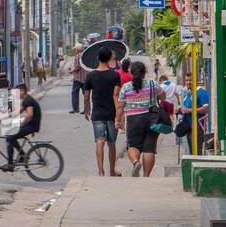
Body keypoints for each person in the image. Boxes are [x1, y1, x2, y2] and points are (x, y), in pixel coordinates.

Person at [82, 48, 123, 176]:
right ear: (110, 58)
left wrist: (87, 109)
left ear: (98, 58)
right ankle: (112, 170)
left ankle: (100, 171)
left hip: (97, 114)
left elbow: (86, 95)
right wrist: (120, 116)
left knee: (99, 141)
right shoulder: (115, 75)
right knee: (111, 143)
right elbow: (117, 95)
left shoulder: (90, 75)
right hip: (112, 113)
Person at [121, 60, 163, 176]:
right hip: (152, 119)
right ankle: (146, 176)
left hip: (133, 120)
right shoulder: (152, 84)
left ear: (131, 73)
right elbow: (163, 96)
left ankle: (135, 162)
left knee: (133, 145)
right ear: (145, 73)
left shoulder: (126, 87)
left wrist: (118, 120)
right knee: (149, 149)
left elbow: (120, 106)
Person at [0, 82, 42, 171]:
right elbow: (16, 112)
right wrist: (2, 117)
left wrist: (22, 124)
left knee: (10, 137)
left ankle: (10, 165)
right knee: (10, 133)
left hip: (32, 126)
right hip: (31, 125)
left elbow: (29, 115)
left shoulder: (28, 101)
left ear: (22, 91)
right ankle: (22, 155)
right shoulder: (26, 100)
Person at [178, 84, 212, 154]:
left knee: (198, 152)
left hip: (198, 127)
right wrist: (180, 110)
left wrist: (190, 110)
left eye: (190, 80)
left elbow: (206, 108)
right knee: (192, 152)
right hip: (189, 128)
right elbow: (187, 108)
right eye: (186, 80)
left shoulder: (201, 92)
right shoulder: (189, 93)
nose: (188, 82)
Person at [69, 44, 86, 113]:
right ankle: (86, 109)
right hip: (85, 77)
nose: (75, 51)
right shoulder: (85, 55)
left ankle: (75, 109)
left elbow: (77, 67)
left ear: (78, 49)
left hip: (78, 78)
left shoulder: (78, 56)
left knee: (74, 93)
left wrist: (71, 71)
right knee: (85, 94)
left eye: (75, 49)